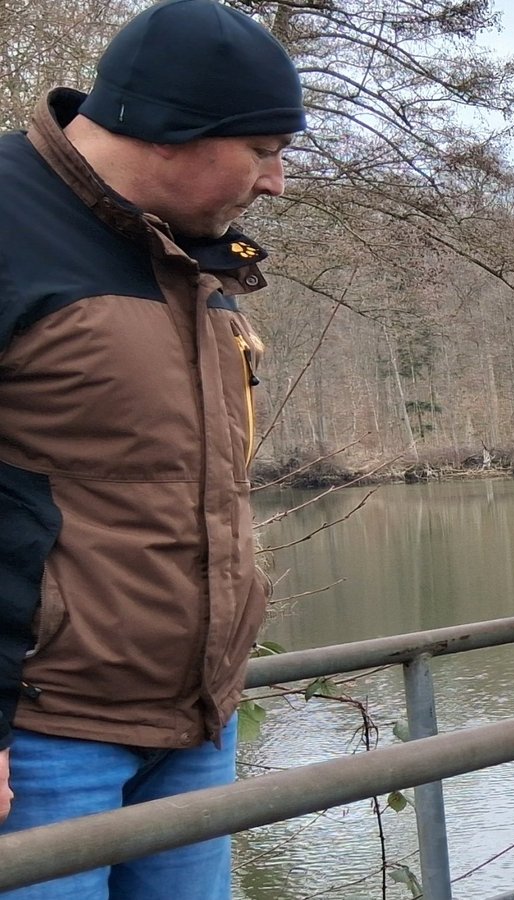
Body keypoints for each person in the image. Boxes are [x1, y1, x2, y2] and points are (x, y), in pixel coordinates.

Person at [0, 0, 304, 895]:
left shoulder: (195, 258)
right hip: (42, 736)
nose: (278, 181)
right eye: (262, 150)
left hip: (192, 725)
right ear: (174, 131)